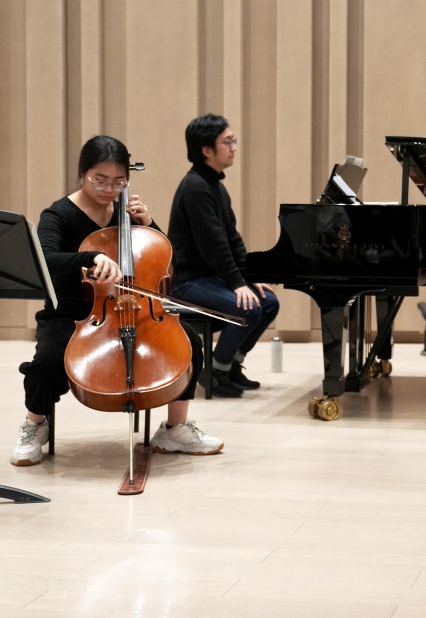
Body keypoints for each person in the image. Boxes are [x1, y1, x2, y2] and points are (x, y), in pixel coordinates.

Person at [12, 136, 223, 467]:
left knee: (189, 344)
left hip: (133, 307)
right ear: (82, 173)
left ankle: (175, 428)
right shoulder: (59, 214)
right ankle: (35, 424)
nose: (110, 189)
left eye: (118, 181)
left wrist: (149, 225)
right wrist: (91, 257)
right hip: (73, 312)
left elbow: (163, 260)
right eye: (100, 180)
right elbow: (47, 259)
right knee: (48, 361)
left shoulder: (127, 214)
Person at [167, 114, 279, 397]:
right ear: (207, 150)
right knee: (248, 307)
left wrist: (249, 278)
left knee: (268, 302)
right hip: (188, 282)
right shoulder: (195, 187)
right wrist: (237, 283)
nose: (234, 147)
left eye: (233, 141)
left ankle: (231, 366)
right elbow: (213, 244)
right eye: (227, 142)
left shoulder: (215, 186)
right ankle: (215, 371)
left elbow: (232, 239)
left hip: (210, 278)